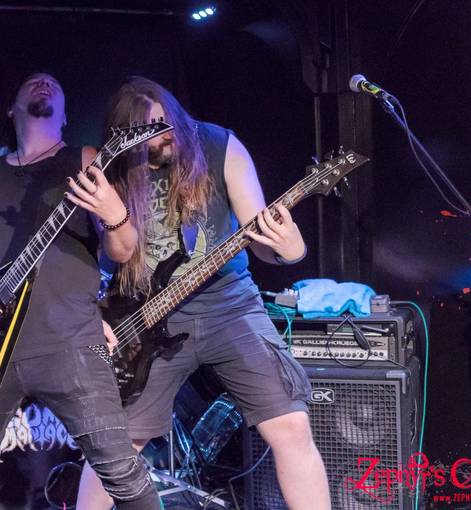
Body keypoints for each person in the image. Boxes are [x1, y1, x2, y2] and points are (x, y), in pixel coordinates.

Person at [76, 76, 331, 510]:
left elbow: (259, 237)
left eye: (167, 125)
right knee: (115, 445)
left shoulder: (220, 146)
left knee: (290, 425)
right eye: (148, 132)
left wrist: (287, 249)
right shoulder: (111, 168)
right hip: (144, 319)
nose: (163, 137)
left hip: (229, 305)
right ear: (126, 136)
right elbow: (108, 256)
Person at [0, 72, 161, 509]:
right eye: (33, 81)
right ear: (11, 108)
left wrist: (114, 213)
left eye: (54, 83)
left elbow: (124, 250)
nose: (44, 84)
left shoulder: (85, 159)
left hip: (70, 340)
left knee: (122, 475)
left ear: (66, 114)